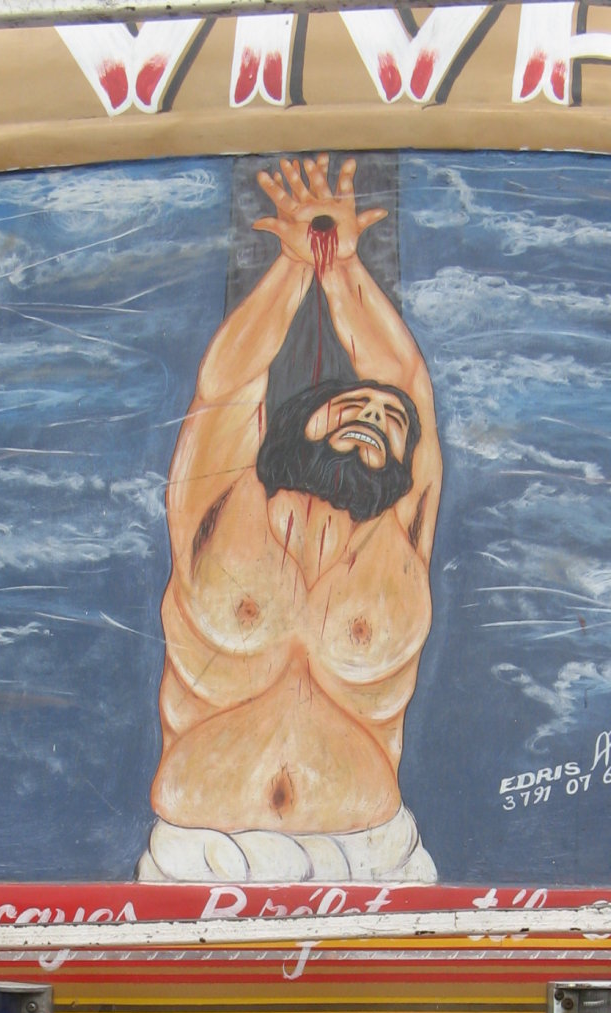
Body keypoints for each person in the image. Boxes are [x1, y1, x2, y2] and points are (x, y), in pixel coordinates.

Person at [139, 154, 441, 884]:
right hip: (202, 855)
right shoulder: (218, 507)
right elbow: (226, 387)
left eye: (390, 423)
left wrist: (343, 272)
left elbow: (403, 380)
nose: (375, 416)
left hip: (372, 854)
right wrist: (295, 265)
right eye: (352, 406)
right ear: (295, 424)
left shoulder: (398, 541)